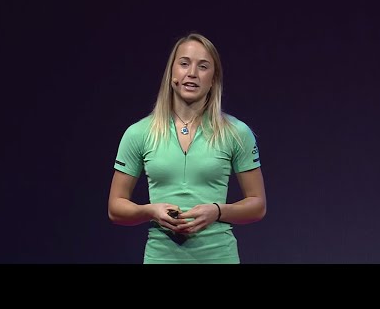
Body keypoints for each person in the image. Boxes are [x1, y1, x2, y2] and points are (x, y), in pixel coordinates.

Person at [108, 32, 266, 264]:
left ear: (213, 78)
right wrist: (150, 211)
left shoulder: (236, 133)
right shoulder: (138, 133)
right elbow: (115, 207)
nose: (192, 73)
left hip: (219, 256)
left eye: (203, 66)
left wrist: (217, 211)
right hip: (161, 257)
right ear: (172, 72)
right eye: (184, 64)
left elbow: (257, 204)